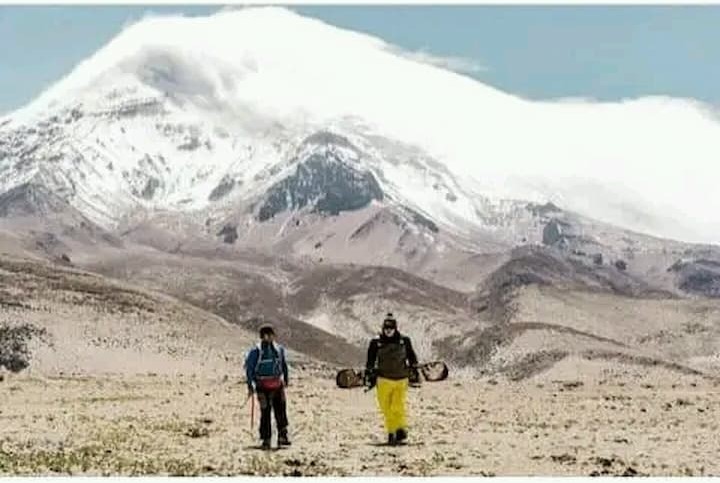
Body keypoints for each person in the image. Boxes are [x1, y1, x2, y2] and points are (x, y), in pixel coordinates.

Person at [364, 313, 419, 446]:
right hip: (383, 380)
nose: (388, 331)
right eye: (386, 328)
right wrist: (369, 374)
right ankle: (399, 430)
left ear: (395, 328)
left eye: (391, 328)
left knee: (397, 406)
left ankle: (392, 433)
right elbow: (370, 361)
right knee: (386, 408)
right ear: (383, 328)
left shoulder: (404, 341)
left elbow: (412, 357)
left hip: (401, 379)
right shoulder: (376, 343)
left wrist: (414, 370)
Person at [245, 324, 290, 450]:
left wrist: (286, 379)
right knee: (266, 413)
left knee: (281, 411)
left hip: (277, 385)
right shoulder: (256, 351)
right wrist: (250, 385)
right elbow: (249, 369)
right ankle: (266, 439)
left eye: (271, 334)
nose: (270, 337)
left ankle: (282, 436)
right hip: (262, 387)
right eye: (268, 335)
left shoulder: (279, 349)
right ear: (263, 336)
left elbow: (284, 365)